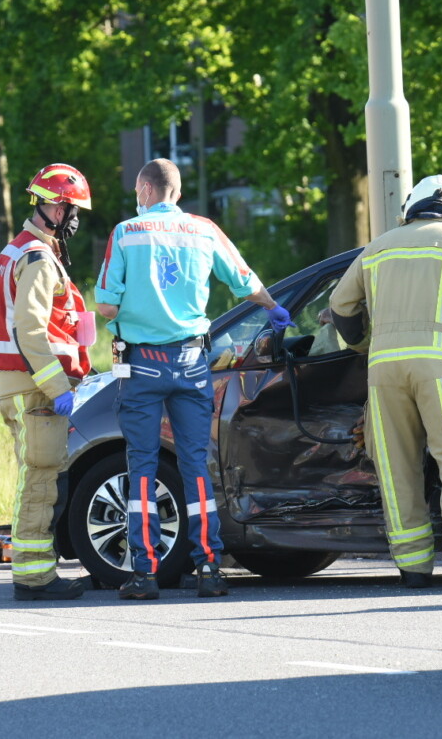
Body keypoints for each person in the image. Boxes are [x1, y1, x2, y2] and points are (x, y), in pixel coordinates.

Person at [95, 158, 292, 600]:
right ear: (177, 193)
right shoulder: (204, 230)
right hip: (191, 365)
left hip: (142, 365)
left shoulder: (126, 233)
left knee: (142, 467)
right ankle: (208, 566)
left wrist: (133, 301)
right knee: (196, 465)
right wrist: (274, 309)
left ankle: (144, 572)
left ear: (145, 190)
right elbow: (245, 281)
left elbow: (107, 306)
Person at [329, 174, 442, 589]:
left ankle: (413, 566)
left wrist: (367, 344)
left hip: (383, 369)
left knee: (395, 464)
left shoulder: (378, 247)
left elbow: (340, 306)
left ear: (410, 209)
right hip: (439, 364)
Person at [0, 164, 94, 601]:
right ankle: (34, 578)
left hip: (23, 384)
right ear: (51, 205)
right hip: (34, 388)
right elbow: (30, 331)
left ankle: (35, 573)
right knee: (39, 481)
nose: (74, 219)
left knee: (38, 478)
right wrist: (59, 389)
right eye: (71, 209)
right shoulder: (37, 258)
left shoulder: (23, 251)